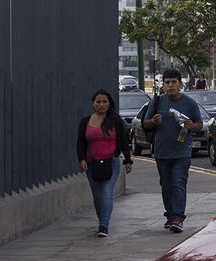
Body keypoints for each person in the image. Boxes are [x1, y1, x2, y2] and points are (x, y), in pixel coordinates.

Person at [142, 68, 203, 233]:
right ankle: (170, 216)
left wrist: (190, 125)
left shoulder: (190, 103)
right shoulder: (157, 102)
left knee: (178, 183)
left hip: (182, 152)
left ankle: (178, 217)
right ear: (163, 85)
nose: (170, 85)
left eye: (173, 82)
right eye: (167, 82)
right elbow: (145, 124)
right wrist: (153, 122)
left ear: (180, 84)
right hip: (162, 153)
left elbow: (199, 125)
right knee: (166, 185)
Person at [76, 88, 133, 237]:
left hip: (111, 162)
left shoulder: (115, 120)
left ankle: (104, 226)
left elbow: (123, 141)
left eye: (104, 102)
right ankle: (102, 220)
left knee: (106, 193)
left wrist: (128, 160)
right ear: (93, 103)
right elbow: (81, 142)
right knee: (97, 196)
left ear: (109, 104)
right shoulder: (85, 121)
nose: (101, 105)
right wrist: (81, 159)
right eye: (98, 102)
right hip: (91, 163)